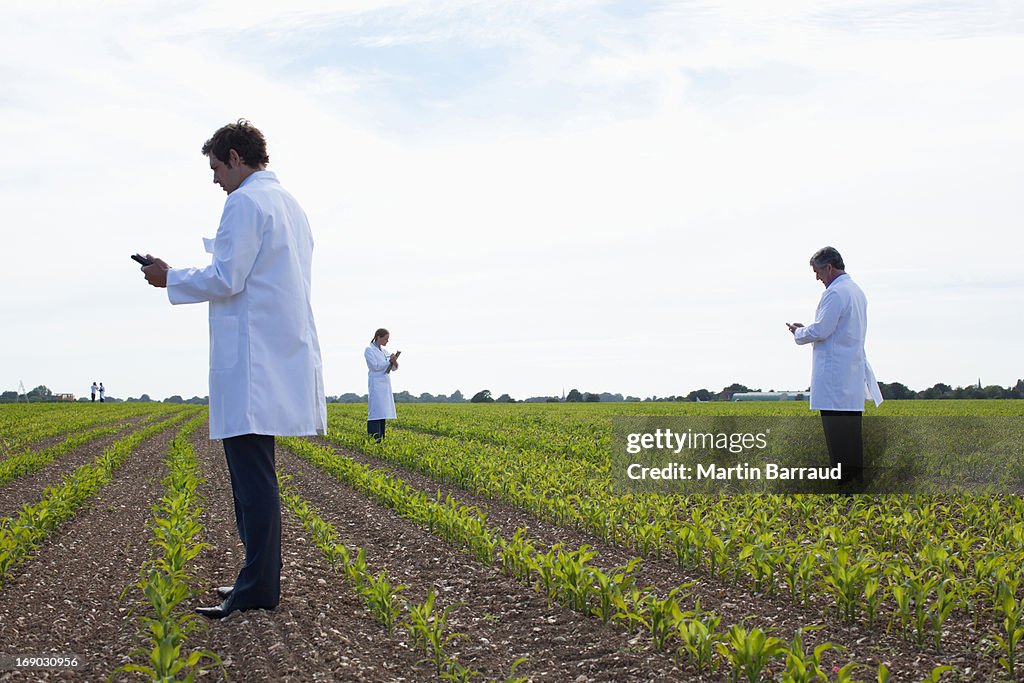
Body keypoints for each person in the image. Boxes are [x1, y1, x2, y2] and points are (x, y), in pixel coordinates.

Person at [140, 119, 326, 619]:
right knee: (253, 478)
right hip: (273, 353)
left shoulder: (244, 202)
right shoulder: (288, 204)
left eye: (216, 166)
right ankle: (255, 579)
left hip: (253, 362)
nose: (215, 178)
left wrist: (169, 277)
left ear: (236, 157)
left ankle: (259, 587)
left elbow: (227, 276)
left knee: (253, 482)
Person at [787, 246, 883, 490]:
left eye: (818, 271)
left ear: (829, 267)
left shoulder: (835, 293)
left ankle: (844, 488)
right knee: (851, 437)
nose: (817, 277)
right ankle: (855, 485)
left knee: (837, 439)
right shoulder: (856, 291)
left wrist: (799, 331)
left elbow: (822, 330)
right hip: (849, 374)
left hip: (834, 377)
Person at [365, 328, 398, 441]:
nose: (387, 341)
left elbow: (394, 368)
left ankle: (381, 439)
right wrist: (389, 361)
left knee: (383, 413)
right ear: (378, 337)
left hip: (385, 385)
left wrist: (394, 360)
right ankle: (374, 438)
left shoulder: (385, 351)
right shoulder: (369, 350)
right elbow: (375, 366)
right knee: (375, 412)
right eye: (386, 338)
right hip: (376, 384)